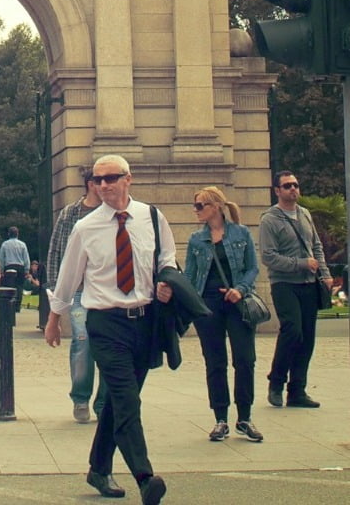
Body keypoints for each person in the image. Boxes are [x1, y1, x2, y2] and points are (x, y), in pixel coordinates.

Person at [44, 155, 174, 505]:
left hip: (145, 322)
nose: (103, 185)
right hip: (105, 323)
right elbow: (68, 275)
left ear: (128, 179)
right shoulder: (85, 227)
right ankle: (146, 477)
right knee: (127, 399)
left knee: (119, 402)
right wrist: (55, 319)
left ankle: (98, 468)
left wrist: (167, 283)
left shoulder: (152, 217)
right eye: (97, 180)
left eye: (110, 178)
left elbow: (167, 261)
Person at [183, 186, 262, 442]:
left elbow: (252, 267)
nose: (196, 211)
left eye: (200, 206)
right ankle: (220, 419)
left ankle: (245, 417)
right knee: (215, 362)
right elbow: (190, 275)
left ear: (215, 206)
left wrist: (240, 289)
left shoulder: (241, 233)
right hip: (208, 304)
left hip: (237, 302)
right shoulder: (197, 239)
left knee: (244, 359)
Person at [259, 170, 333, 409]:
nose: (293, 189)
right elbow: (268, 257)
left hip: (309, 284)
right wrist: (301, 264)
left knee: (308, 338)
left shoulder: (305, 214)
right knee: (293, 330)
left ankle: (297, 390)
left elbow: (316, 247)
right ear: (277, 191)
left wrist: (325, 273)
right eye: (287, 186)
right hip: (284, 284)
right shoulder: (270, 219)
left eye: (295, 185)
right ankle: (276, 381)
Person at [46, 167, 107, 423]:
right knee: (82, 341)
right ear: (90, 184)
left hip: (107, 291)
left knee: (109, 347)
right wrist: (54, 291)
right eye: (102, 181)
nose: (106, 187)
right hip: (80, 291)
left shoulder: (116, 214)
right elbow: (56, 248)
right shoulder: (71, 213)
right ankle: (81, 398)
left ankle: (104, 402)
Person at [0, 226, 31, 303]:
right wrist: (27, 269)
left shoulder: (5, 244)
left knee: (9, 286)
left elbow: (2, 258)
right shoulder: (22, 244)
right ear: (17, 234)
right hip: (20, 266)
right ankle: (18, 305)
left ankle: (9, 304)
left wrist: (1, 270)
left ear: (8, 234)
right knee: (19, 286)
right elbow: (26, 258)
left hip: (9, 266)